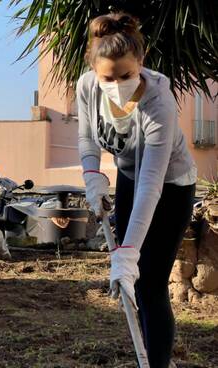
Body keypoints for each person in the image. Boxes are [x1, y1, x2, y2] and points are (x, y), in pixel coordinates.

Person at [77, 13, 196, 367]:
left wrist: (128, 254)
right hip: (130, 176)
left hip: (171, 186)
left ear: (141, 63)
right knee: (136, 287)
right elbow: (86, 136)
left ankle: (157, 362)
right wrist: (92, 175)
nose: (117, 84)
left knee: (149, 283)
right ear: (94, 70)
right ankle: (153, 354)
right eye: (108, 77)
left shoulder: (159, 102)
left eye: (126, 75)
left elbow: (152, 182)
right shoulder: (87, 86)